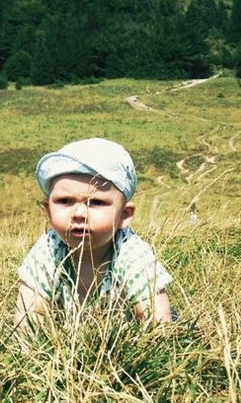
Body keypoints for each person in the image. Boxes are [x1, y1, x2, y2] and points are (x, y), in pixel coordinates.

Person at [14, 137, 174, 332]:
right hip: (68, 345)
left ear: (124, 216)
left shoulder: (131, 252)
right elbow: (30, 314)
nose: (79, 214)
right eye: (65, 201)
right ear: (48, 210)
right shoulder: (48, 249)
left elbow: (156, 319)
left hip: (121, 344)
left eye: (96, 202)